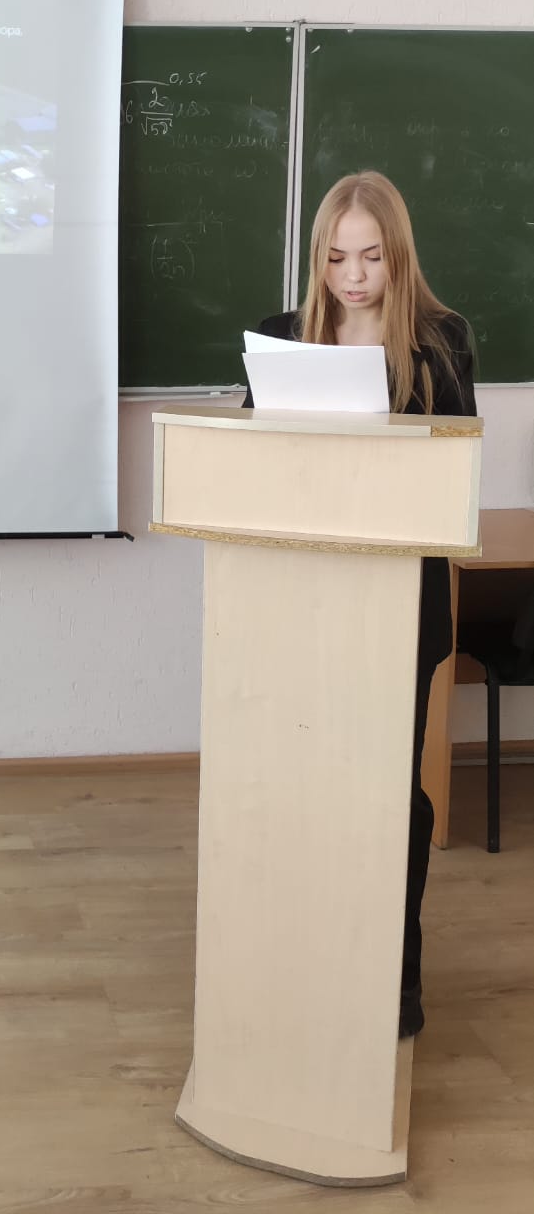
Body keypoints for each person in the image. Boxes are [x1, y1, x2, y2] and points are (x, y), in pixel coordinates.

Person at [245, 171, 477, 1040]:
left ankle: (395, 977)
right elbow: (244, 468)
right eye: (336, 258)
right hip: (297, 610)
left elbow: (455, 471)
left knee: (388, 797)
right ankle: (303, 965)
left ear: (398, 256)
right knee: (301, 790)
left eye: (371, 258)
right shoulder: (280, 339)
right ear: (317, 258)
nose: (351, 276)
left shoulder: (441, 342)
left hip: (399, 609)